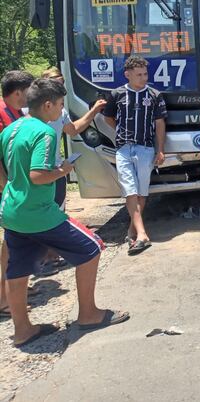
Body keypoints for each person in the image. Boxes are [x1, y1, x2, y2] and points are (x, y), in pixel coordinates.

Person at [0, 78, 128, 346]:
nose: (61, 110)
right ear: (47, 105)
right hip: (40, 211)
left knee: (18, 267)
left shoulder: (11, 129)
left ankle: (22, 330)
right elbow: (38, 175)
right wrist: (63, 170)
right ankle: (89, 314)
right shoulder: (44, 132)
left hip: (12, 210)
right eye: (59, 105)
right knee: (92, 247)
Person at [102, 56, 167, 255]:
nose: (143, 78)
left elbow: (159, 123)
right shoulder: (117, 94)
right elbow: (108, 118)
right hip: (123, 148)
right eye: (138, 74)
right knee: (129, 190)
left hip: (146, 147)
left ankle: (133, 230)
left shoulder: (155, 95)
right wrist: (122, 132)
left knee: (141, 192)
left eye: (145, 74)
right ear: (127, 74)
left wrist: (161, 148)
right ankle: (142, 233)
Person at [40, 68, 107, 210]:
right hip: (38, 170)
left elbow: (73, 129)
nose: (60, 88)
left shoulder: (61, 112)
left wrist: (94, 111)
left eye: (61, 83)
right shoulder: (31, 112)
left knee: (58, 212)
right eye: (55, 84)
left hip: (57, 169)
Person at [0, 71, 34, 318]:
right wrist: (6, 188)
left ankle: (10, 292)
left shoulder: (17, 113)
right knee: (11, 242)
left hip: (11, 186)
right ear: (18, 92)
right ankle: (4, 299)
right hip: (7, 188)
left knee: (11, 242)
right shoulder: (1, 114)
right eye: (30, 91)